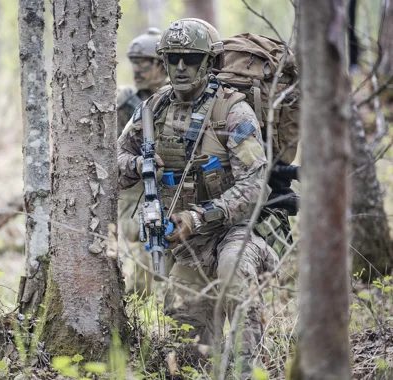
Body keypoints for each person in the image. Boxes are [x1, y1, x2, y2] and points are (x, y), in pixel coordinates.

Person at [117, 18, 278, 377]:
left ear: (209, 62)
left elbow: (255, 184)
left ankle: (246, 370)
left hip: (232, 233)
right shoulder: (152, 110)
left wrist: (201, 216)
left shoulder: (232, 111)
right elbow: (113, 163)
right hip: (187, 246)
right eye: (171, 59)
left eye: (190, 58)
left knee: (233, 273)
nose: (179, 67)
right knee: (188, 350)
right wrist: (139, 163)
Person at [116, 28, 168, 296]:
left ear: (162, 65)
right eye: (134, 64)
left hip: (172, 186)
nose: (137, 70)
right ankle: (139, 301)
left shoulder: (177, 100)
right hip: (135, 190)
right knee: (138, 237)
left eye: (143, 64)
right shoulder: (125, 102)